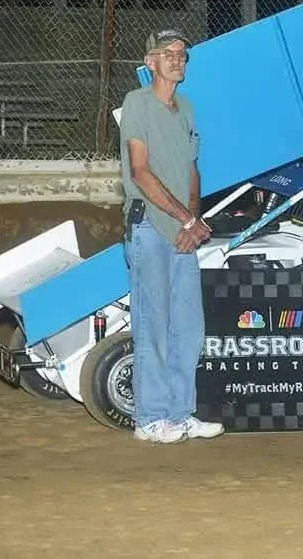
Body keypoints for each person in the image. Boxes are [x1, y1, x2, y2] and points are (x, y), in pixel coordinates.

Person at [119, 28, 225, 443]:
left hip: (183, 230)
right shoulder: (136, 103)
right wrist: (185, 220)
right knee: (154, 324)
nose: (177, 59)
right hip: (149, 227)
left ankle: (180, 414)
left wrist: (194, 221)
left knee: (188, 326)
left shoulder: (187, 109)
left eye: (182, 54)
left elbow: (192, 170)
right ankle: (150, 418)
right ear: (150, 62)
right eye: (167, 53)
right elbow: (141, 171)